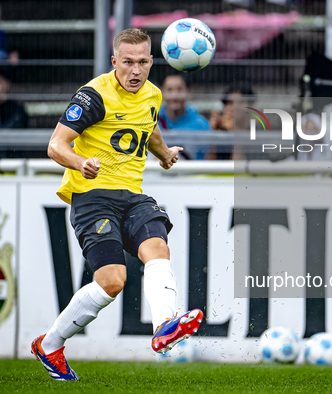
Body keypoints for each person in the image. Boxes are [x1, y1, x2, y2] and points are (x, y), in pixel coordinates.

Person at [31, 28, 203, 381]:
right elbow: (55, 145)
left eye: (142, 62)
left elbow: (149, 127)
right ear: (114, 62)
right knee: (112, 281)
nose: (135, 71)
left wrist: (164, 153)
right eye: (127, 63)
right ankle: (49, 345)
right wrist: (80, 162)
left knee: (157, 247)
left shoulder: (152, 95)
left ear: (152, 62)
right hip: (92, 198)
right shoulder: (94, 96)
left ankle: (164, 328)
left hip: (132, 196)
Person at [158, 74, 210, 160]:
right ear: (161, 92)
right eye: (169, 90)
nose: (175, 95)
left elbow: (209, 161)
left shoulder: (202, 124)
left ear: (188, 91)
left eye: (179, 89)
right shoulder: (151, 120)